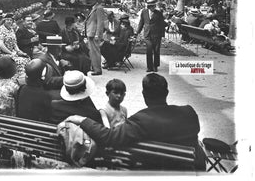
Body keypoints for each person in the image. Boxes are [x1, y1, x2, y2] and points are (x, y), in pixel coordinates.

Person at [65, 73, 206, 171]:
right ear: (167, 92)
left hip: (155, 171)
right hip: (191, 169)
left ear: (144, 95)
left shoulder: (141, 120)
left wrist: (83, 120)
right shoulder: (189, 113)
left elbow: (109, 137)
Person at [0, 13, 30, 78]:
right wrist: (11, 53)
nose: (9, 21)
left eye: (10, 20)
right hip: (1, 54)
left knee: (27, 58)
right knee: (20, 62)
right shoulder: (1, 30)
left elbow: (14, 43)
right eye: (7, 20)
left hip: (10, 53)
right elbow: (1, 45)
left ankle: (21, 77)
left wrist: (19, 51)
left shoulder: (11, 29)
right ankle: (15, 77)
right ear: (4, 20)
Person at [16, 59, 52, 123]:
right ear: (42, 77)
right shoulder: (45, 96)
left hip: (21, 124)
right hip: (35, 128)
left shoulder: (21, 88)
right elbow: (46, 118)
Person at [136, 0, 166, 72]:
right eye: (151, 6)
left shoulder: (158, 13)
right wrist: (137, 32)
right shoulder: (144, 12)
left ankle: (155, 66)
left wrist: (162, 35)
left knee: (156, 51)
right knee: (149, 50)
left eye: (154, 6)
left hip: (156, 35)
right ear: (148, 7)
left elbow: (162, 24)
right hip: (147, 34)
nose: (153, 8)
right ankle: (149, 67)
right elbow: (141, 22)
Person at [85, 0, 106, 75]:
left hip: (94, 34)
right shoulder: (94, 8)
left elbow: (100, 23)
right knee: (92, 52)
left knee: (95, 52)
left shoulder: (99, 8)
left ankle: (97, 70)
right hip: (91, 33)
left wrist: (98, 34)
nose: (90, 1)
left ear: (96, 0)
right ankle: (94, 67)